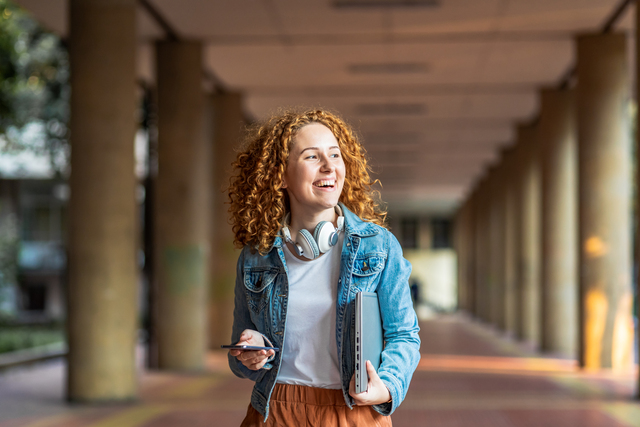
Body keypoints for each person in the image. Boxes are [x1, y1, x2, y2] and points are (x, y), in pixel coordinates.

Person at [226, 109, 421, 426]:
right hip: (276, 411)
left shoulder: (379, 247)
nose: (330, 167)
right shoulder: (256, 256)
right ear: (280, 175)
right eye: (312, 157)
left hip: (353, 412)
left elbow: (404, 336)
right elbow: (239, 359)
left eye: (335, 155)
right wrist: (252, 351)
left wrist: (386, 386)